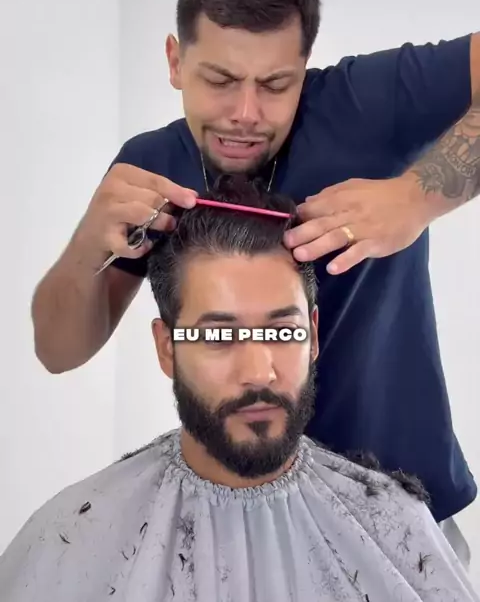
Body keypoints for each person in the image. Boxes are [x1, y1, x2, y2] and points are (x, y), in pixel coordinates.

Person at [31, 0, 480, 537]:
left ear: (305, 66)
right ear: (175, 61)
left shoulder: (365, 105)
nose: (246, 112)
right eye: (220, 79)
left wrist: (414, 198)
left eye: (275, 84)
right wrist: (86, 244)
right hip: (232, 517)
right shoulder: (149, 166)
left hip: (400, 511)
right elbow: (58, 351)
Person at [3, 178, 479, 602]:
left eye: (283, 331)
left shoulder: (394, 525)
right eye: (218, 335)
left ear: (313, 335)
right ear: (167, 348)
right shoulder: (74, 534)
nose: (258, 372)